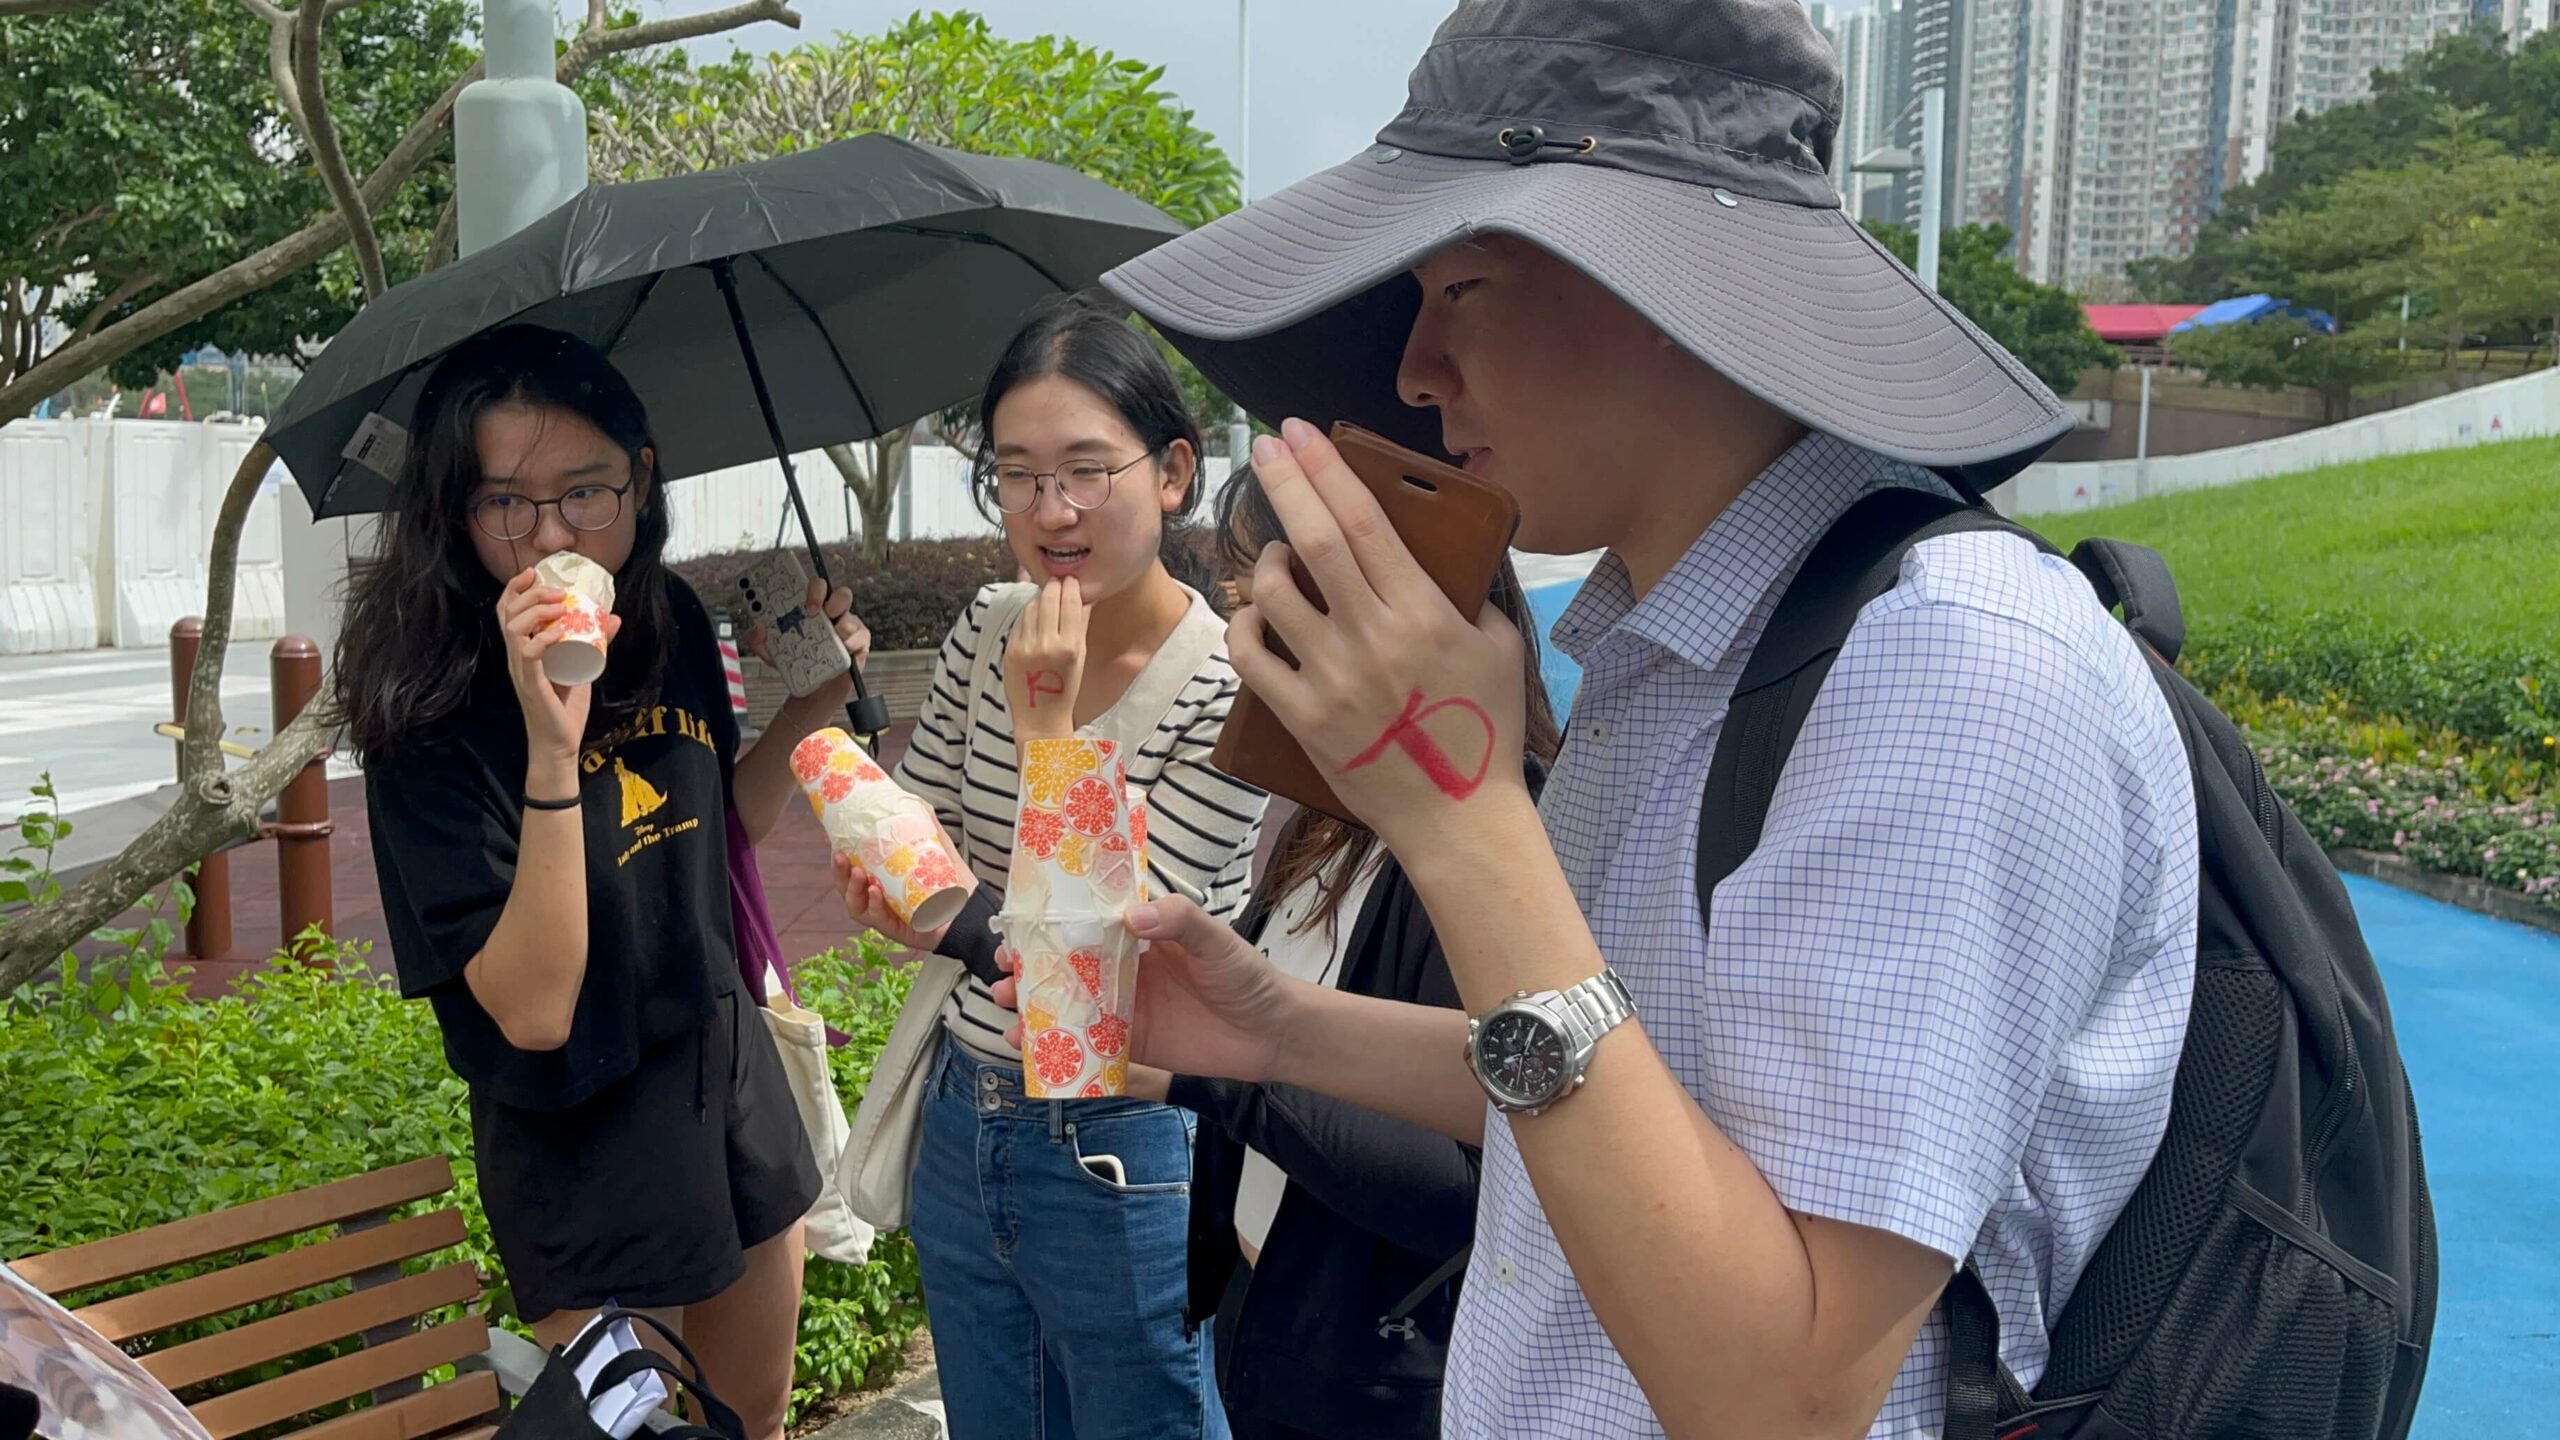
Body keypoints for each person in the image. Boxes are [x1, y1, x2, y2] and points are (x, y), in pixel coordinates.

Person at [1030, 3, 2211, 1437]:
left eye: (1458, 290)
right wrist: (1284, 1032)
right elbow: (1636, 1108)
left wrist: (1459, 820)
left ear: (1671, 281)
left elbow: (1780, 1399)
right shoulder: (1680, 649)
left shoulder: (1948, 673)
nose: (1412, 369)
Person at [340, 326, 871, 1440]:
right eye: (504, 504)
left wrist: (814, 705)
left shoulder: (665, 618)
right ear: (455, 509)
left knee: (749, 1425)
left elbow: (714, 823)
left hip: (720, 1065)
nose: (548, 536)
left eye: (586, 492)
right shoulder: (424, 706)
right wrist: (547, 745)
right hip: (579, 1125)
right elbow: (532, 1010)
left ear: (642, 475)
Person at [837, 294, 1269, 1440]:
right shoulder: (988, 624)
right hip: (963, 1115)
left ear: (1171, 472)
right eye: (1017, 474)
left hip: (1122, 1141)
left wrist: (1048, 732)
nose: (1051, 510)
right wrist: (922, 890)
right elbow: (911, 849)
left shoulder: (1231, 689)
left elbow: (1092, 972)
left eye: (1087, 469)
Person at [1144, 468, 1558, 1440]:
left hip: (1385, 1383)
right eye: (1233, 605)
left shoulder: (1492, 845)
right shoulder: (1325, 819)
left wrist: (1226, 1071)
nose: (1241, 653)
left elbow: (1478, 1183)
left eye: (1266, 612)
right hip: (1273, 1323)